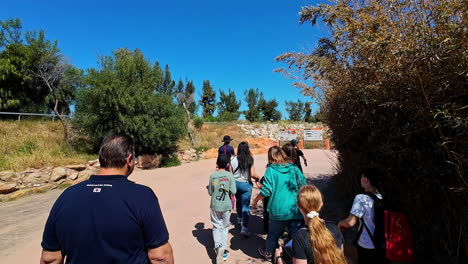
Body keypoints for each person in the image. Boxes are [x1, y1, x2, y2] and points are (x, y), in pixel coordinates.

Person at [40, 134, 174, 264]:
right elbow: (160, 257)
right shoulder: (143, 196)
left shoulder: (66, 196)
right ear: (129, 159)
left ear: (101, 159)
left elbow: (50, 258)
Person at [252, 146, 307, 261]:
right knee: (295, 235)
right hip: (295, 208)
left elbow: (266, 190)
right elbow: (303, 184)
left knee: (273, 234)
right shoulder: (294, 168)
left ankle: (268, 254)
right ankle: (295, 257)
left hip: (277, 210)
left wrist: (256, 199)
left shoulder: (271, 170)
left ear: (270, 157)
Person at [274, 185, 346, 264]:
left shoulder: (300, 237)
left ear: (298, 205)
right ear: (321, 203)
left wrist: (278, 258)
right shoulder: (335, 229)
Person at [338, 167, 384, 264]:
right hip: (381, 244)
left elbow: (350, 222)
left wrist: (340, 223)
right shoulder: (381, 198)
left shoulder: (361, 198)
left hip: (366, 244)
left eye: (362, 176)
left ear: (365, 179)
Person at [207, 154, 237, 264]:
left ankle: (218, 247)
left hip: (215, 205)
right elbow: (233, 191)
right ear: (228, 164)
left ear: (216, 163)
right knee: (224, 227)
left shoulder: (213, 176)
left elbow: (211, 192)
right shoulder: (229, 176)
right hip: (226, 206)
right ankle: (223, 250)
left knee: (216, 226)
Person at [229, 142, 260, 237]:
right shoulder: (250, 159)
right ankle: (244, 227)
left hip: (235, 184)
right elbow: (252, 174)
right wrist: (258, 178)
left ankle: (239, 219)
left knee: (238, 200)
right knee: (245, 206)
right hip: (246, 185)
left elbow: (230, 173)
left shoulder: (233, 159)